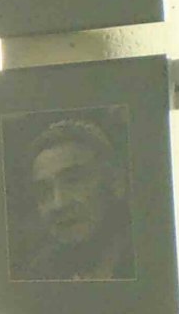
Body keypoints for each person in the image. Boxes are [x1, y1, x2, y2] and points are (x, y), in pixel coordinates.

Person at [12, 113, 133, 282]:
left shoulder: (152, 260)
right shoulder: (39, 276)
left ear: (116, 183)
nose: (58, 203)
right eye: (44, 191)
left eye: (73, 181)